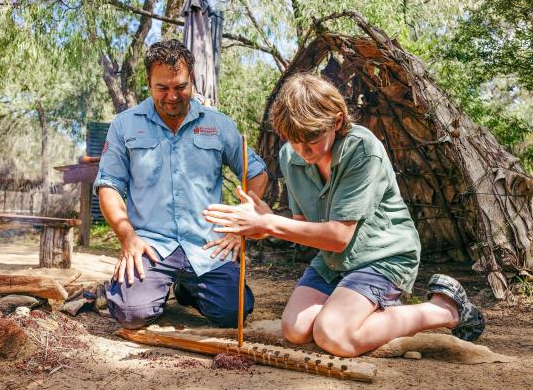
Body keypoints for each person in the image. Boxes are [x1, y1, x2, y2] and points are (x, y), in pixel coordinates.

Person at [203, 73, 485, 356]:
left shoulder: (361, 149)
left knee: (334, 336)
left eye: (312, 138)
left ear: (336, 122)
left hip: (382, 256)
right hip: (334, 261)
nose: (302, 151)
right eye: (293, 140)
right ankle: (366, 308)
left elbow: (338, 236)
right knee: (295, 329)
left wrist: (270, 222)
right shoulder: (291, 155)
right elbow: (302, 224)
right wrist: (262, 228)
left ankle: (444, 309)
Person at [94, 39, 268, 329]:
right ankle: (143, 289)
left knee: (233, 313)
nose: (172, 96)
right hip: (150, 245)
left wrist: (240, 227)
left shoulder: (219, 125)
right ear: (148, 82)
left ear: (192, 82)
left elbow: (257, 173)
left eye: (181, 87)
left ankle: (187, 289)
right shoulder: (124, 126)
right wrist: (127, 236)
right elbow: (109, 186)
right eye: (162, 88)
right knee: (131, 315)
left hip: (207, 246)